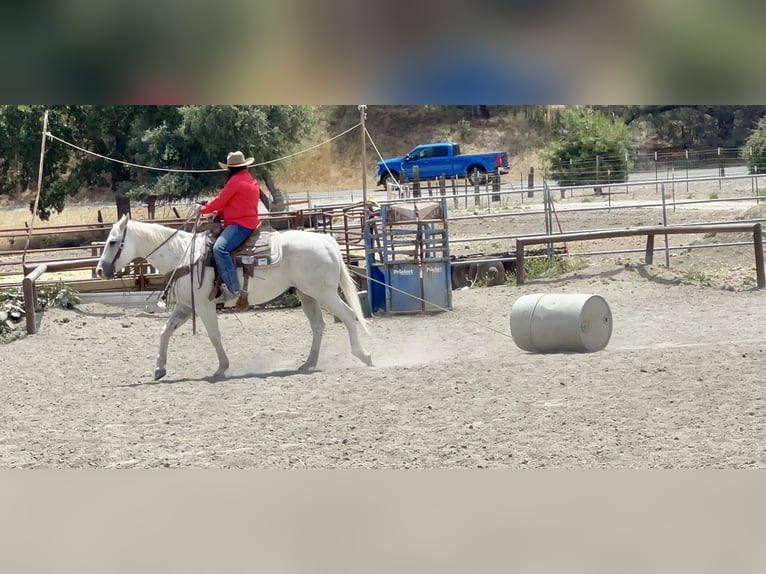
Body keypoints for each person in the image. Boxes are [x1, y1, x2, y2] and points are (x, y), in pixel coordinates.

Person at [195, 150, 261, 303]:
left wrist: (203, 209)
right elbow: (235, 204)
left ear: (231, 168)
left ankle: (233, 288)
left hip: (240, 225)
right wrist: (218, 212)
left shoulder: (235, 182)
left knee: (219, 248)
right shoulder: (250, 181)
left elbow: (221, 199)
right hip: (246, 222)